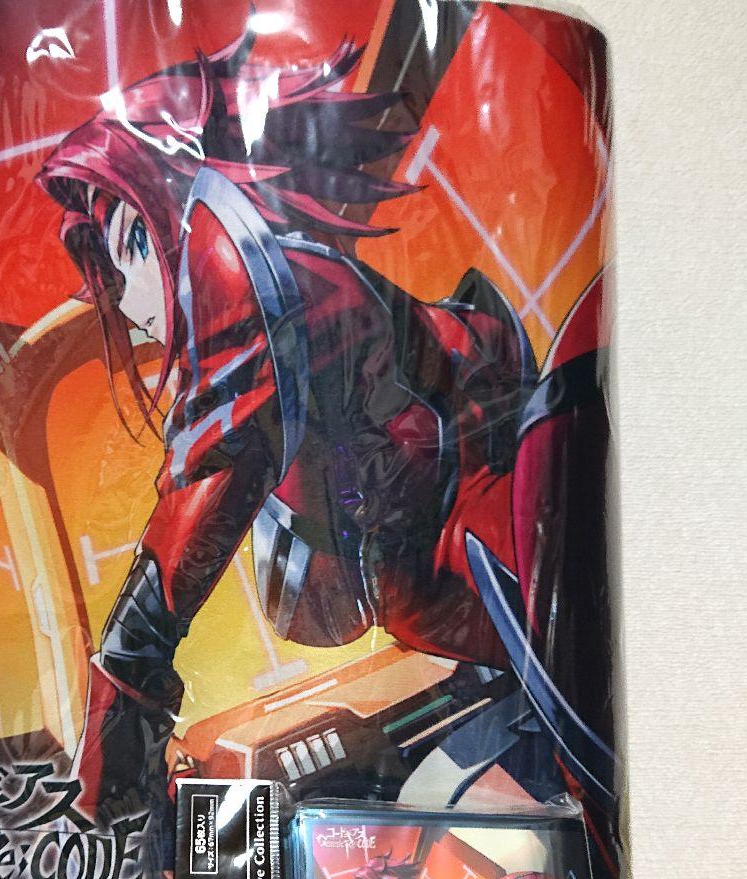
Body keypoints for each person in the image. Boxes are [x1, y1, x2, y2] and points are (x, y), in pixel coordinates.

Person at [37, 30, 609, 838]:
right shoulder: (267, 278)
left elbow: (209, 483)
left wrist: (114, 756)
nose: (128, 298)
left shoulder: (244, 270)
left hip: (499, 558)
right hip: (459, 606)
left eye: (132, 242)